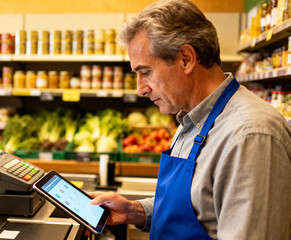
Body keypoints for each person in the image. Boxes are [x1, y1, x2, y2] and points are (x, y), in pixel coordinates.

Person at [89, 0, 291, 239]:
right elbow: (201, 208)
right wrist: (135, 211)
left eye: (146, 72)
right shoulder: (191, 118)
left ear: (185, 58)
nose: (140, 89)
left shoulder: (251, 135)